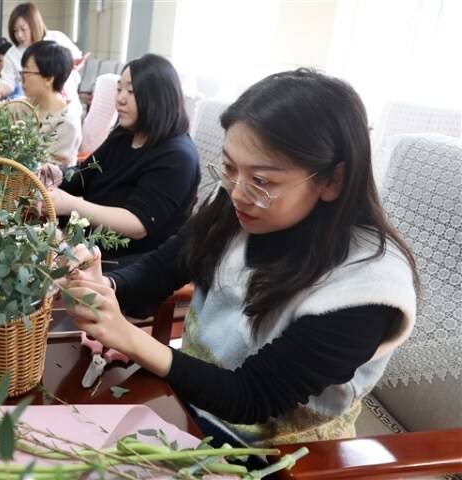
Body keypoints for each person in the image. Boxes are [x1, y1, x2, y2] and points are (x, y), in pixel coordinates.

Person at [59, 69, 418, 447]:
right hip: (186, 400)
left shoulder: (366, 287)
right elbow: (164, 267)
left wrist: (130, 338)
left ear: (333, 180)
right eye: (229, 168)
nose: (238, 193)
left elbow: (250, 397)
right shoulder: (237, 204)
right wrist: (105, 287)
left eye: (262, 181)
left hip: (274, 451)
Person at [40, 54, 200, 269]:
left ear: (159, 97)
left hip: (127, 264)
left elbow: (137, 224)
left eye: (131, 91)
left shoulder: (177, 156)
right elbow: (84, 174)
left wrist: (72, 205)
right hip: (87, 244)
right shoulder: (124, 136)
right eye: (119, 89)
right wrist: (60, 175)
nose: (120, 98)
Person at [0, 2, 82, 116]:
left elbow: (77, 59)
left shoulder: (56, 38)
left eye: (23, 29)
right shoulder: (12, 54)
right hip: (37, 109)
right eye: (15, 31)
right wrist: (0, 91)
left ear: (34, 24)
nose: (19, 35)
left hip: (65, 103)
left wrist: (74, 64)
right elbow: (8, 81)